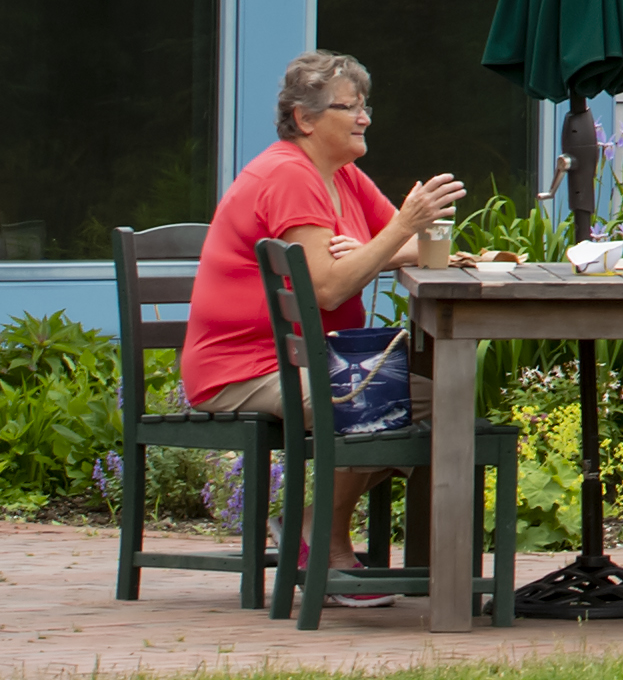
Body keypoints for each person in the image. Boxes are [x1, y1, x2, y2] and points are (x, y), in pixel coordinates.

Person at [176, 51, 466, 591]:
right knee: (386, 401)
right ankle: (324, 538)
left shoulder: (342, 175)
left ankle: (313, 525)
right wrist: (398, 230)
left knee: (442, 398)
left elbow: (397, 247)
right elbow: (328, 287)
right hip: (245, 366)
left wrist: (382, 243)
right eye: (349, 107)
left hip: (308, 359)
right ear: (305, 118)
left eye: (365, 106)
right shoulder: (289, 176)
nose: (364, 118)